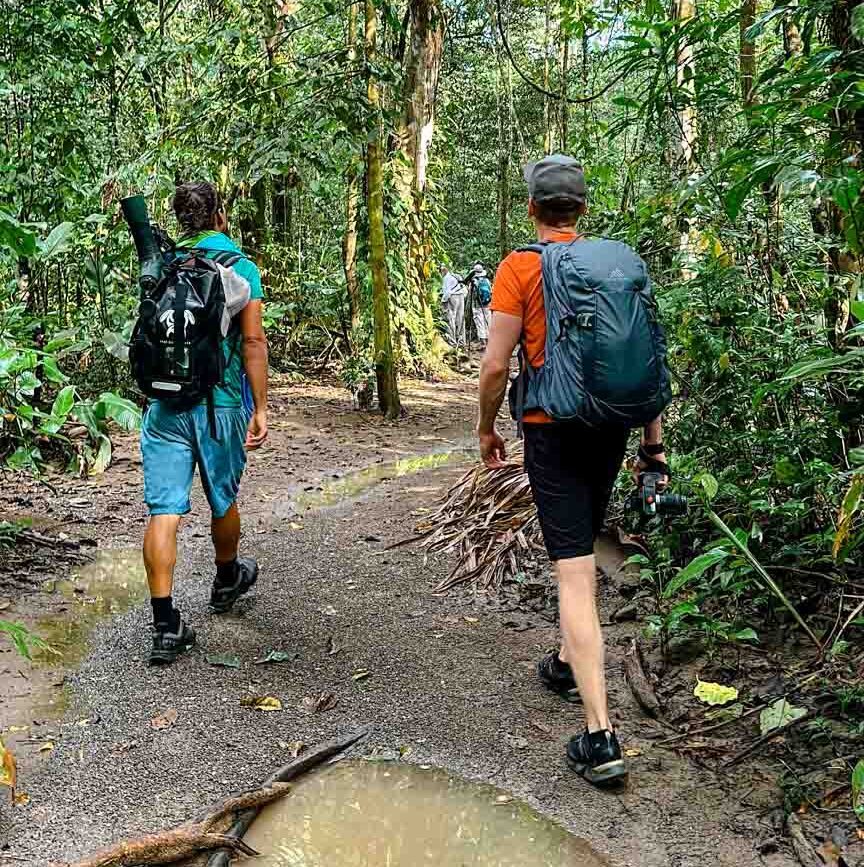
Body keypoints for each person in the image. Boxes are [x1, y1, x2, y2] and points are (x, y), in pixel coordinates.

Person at [476, 155, 668, 786]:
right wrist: (653, 446)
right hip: (611, 427)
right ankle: (565, 662)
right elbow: (643, 362)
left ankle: (599, 734)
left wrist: (486, 428)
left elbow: (496, 367)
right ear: (582, 208)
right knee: (581, 540)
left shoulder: (520, 267)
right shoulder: (614, 269)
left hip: (549, 429)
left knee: (574, 573)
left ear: (533, 208)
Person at [140, 181, 268, 666]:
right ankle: (226, 577)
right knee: (223, 497)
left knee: (163, 511)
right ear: (220, 215)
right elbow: (253, 343)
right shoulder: (241, 268)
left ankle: (165, 625)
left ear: (180, 220)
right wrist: (260, 406)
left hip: (164, 406)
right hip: (219, 404)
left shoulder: (161, 265)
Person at [440, 264, 467, 348]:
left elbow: (447, 292)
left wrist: (443, 301)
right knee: (460, 318)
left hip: (452, 297)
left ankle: (452, 342)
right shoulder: (457, 276)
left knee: (451, 318)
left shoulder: (446, 278)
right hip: (461, 296)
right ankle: (462, 341)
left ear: (444, 270)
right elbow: (465, 289)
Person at [468, 263, 493, 349]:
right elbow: (491, 291)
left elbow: (470, 293)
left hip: (477, 305)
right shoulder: (487, 281)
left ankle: (483, 342)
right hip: (488, 304)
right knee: (488, 321)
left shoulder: (474, 281)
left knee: (480, 322)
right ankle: (489, 341)